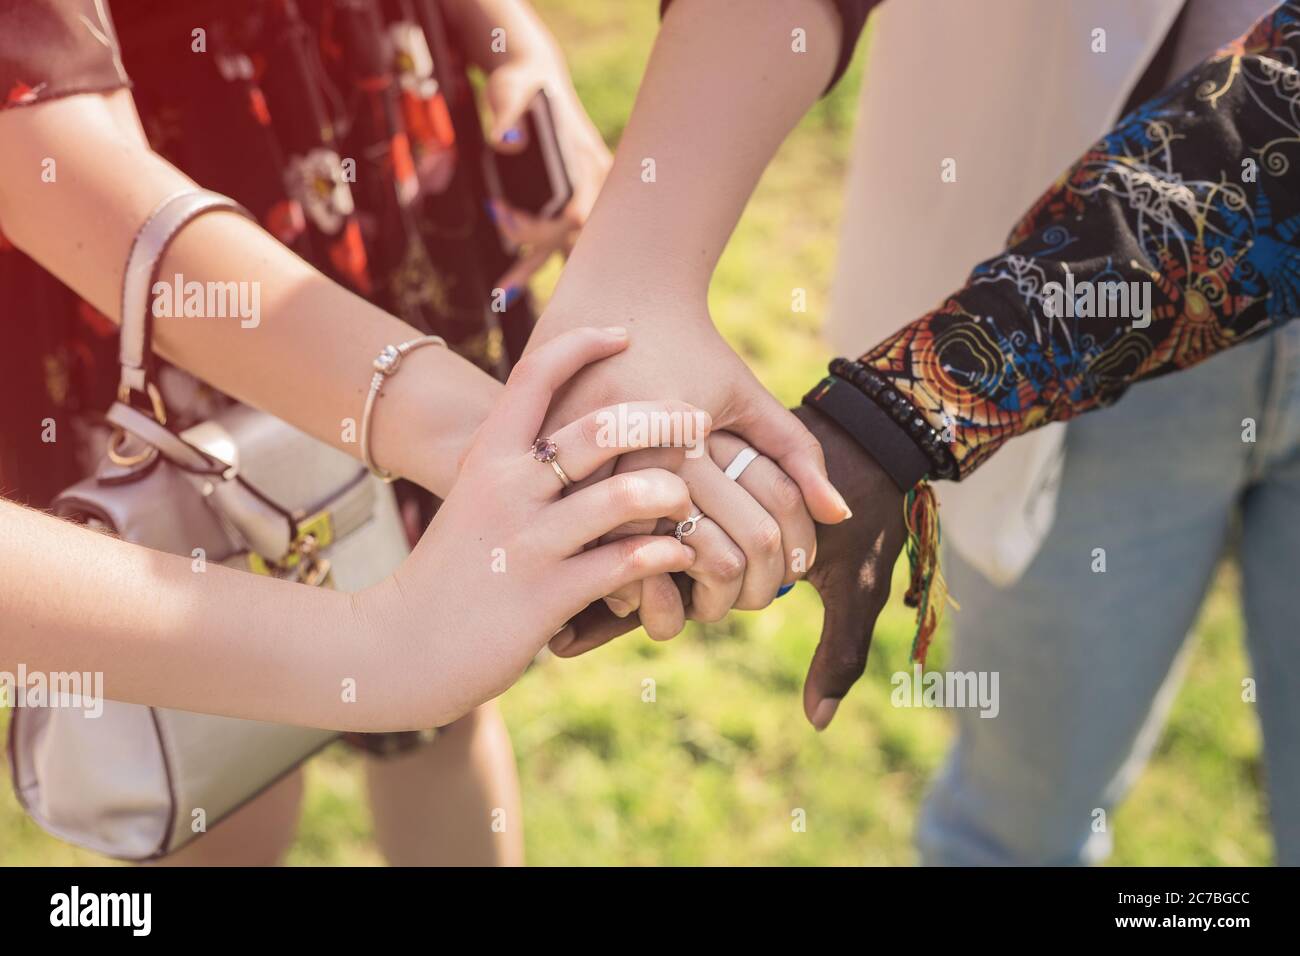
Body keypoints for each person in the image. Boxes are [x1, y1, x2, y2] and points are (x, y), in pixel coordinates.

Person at [830, 0, 1293, 866]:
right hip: (1085, 331)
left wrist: (910, 406)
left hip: (1064, 311)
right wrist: (907, 409)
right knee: (1017, 831)